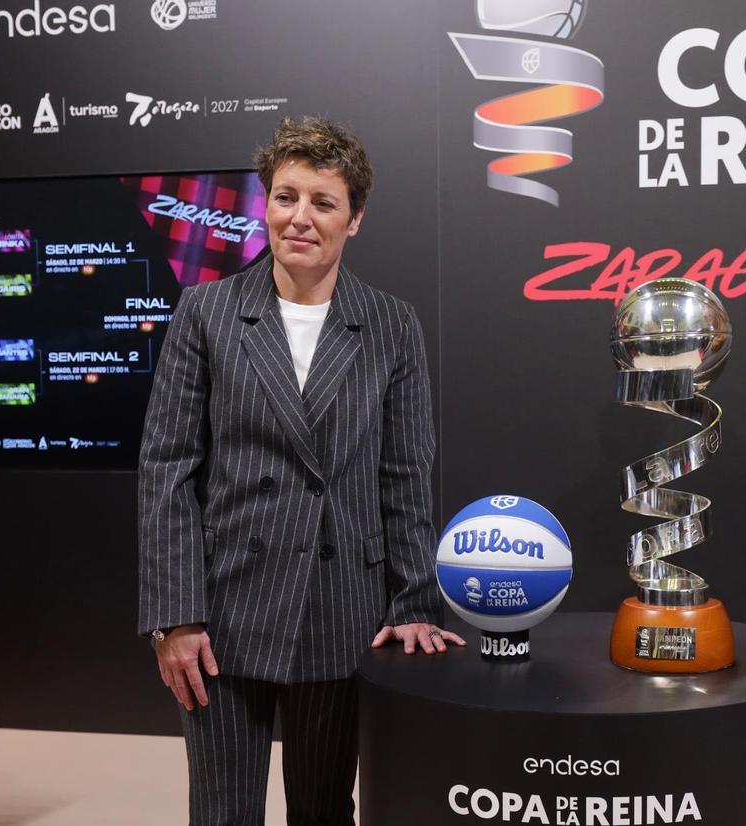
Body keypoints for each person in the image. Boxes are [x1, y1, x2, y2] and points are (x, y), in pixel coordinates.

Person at [137, 116, 464, 825]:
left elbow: (405, 475)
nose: (300, 218)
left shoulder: (390, 325)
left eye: (323, 202)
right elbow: (167, 469)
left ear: (355, 220)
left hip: (342, 609)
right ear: (265, 205)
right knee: (223, 814)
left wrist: (413, 603)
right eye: (286, 197)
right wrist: (173, 615)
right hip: (222, 615)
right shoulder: (207, 312)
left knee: (322, 811)